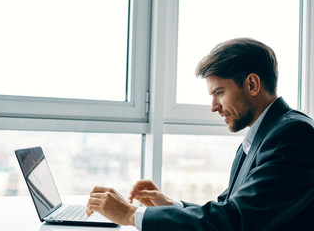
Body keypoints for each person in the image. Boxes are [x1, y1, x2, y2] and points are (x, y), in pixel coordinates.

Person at [86, 38, 314, 230]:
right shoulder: (262, 136)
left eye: (219, 92)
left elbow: (236, 219)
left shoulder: (293, 135)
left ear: (252, 84)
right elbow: (228, 207)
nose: (214, 106)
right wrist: (170, 205)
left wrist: (131, 215)